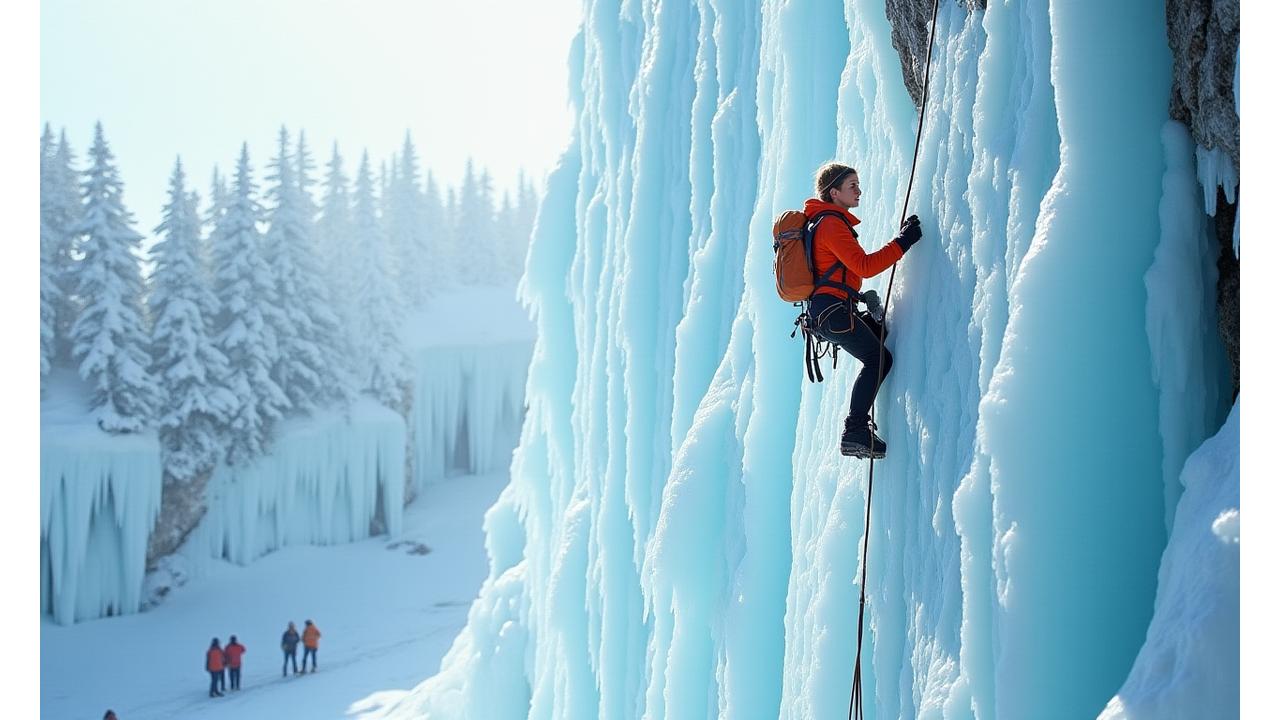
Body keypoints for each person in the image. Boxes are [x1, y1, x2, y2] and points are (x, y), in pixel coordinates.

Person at [804, 162, 923, 458]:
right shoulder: (830, 223)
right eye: (852, 186)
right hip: (834, 312)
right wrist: (903, 242)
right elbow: (865, 266)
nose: (859, 191)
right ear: (834, 192)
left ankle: (857, 430)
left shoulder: (821, 223)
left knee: (878, 332)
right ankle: (854, 430)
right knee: (878, 358)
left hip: (829, 313)